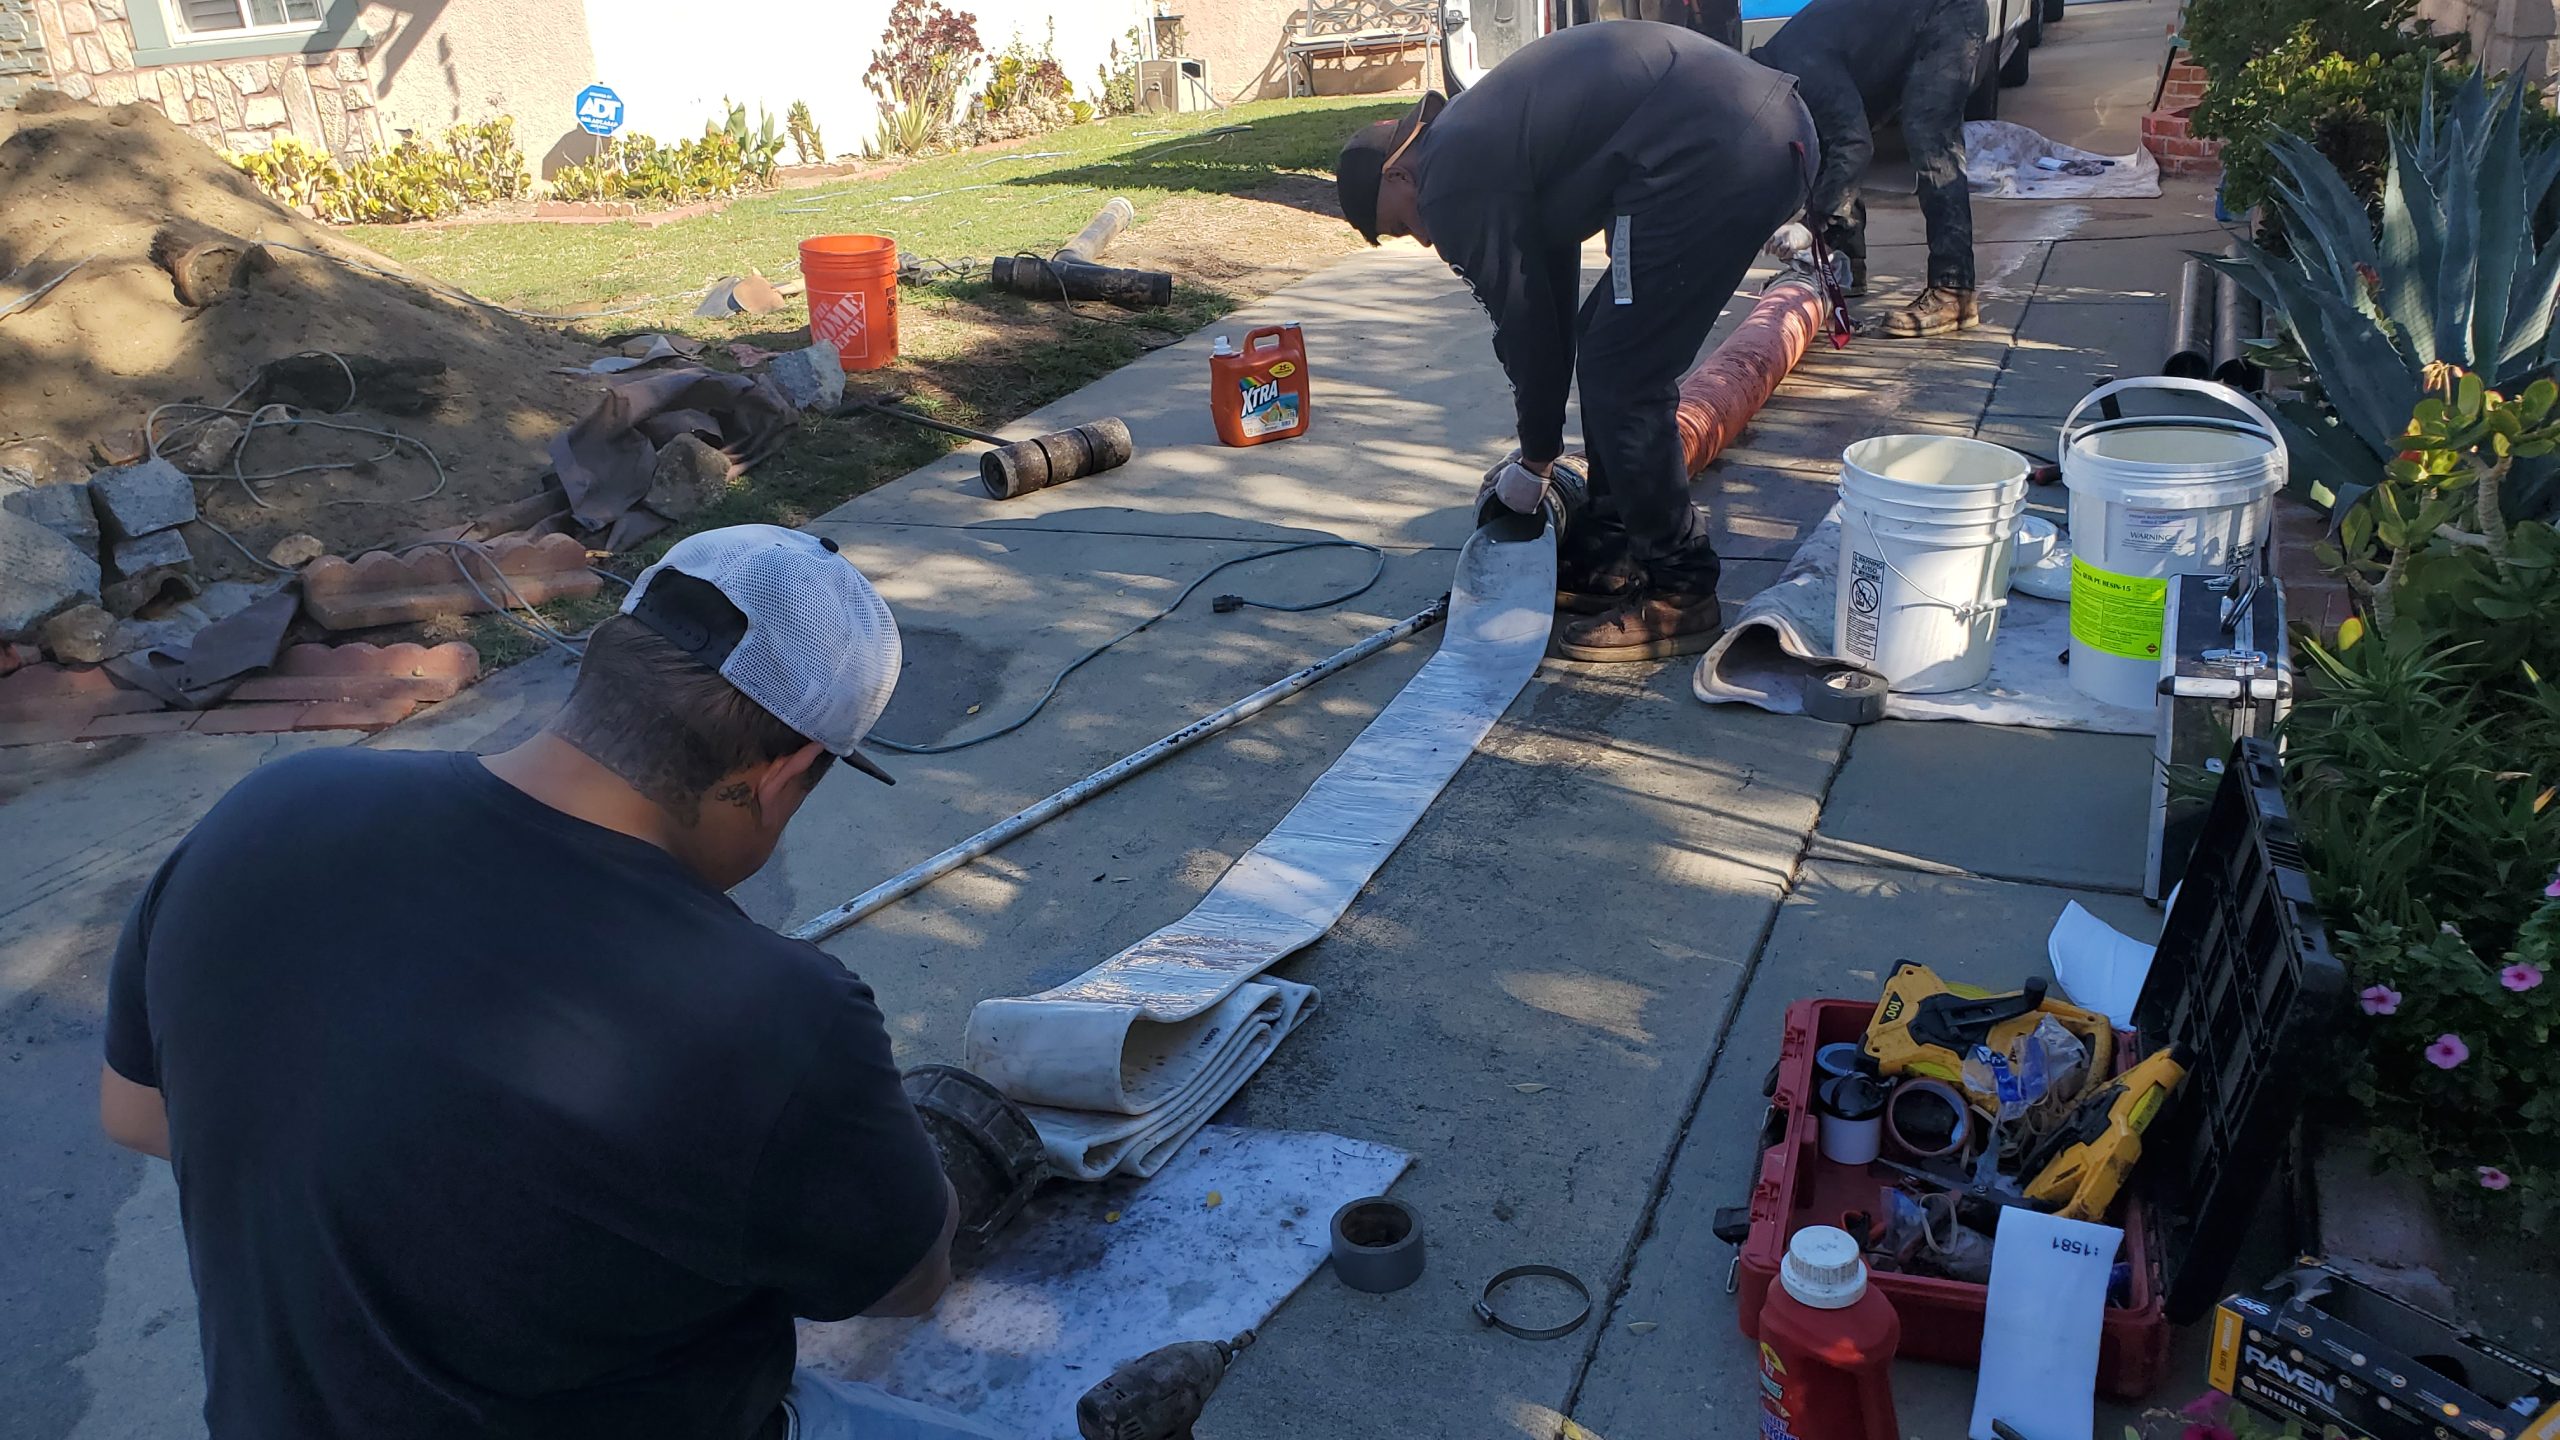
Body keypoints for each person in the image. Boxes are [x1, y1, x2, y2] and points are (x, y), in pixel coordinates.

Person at [99, 524, 1003, 1440]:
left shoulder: (269, 811)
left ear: (601, 669)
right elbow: (905, 1283)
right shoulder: (776, 1014)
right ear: (784, 774)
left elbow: (136, 1112)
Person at [1334, 21, 1817, 662]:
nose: (1424, 239)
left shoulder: (1449, 174)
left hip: (1715, 149)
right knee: (1605, 342)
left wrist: (1535, 462)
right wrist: (1540, 449)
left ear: (1400, 176)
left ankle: (1680, 588)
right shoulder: (1485, 139)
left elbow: (1526, 328)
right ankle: (1615, 550)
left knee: (1625, 372)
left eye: (1402, 225)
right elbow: (1550, 312)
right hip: (1746, 131)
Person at [1755, 0, 1991, 337]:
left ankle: (1953, 290)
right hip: (1907, 27)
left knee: (1930, 136)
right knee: (1832, 135)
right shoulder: (1786, 67)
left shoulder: (1802, 66)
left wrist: (1811, 225)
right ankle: (1846, 265)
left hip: (1948, 13)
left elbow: (1854, 146)